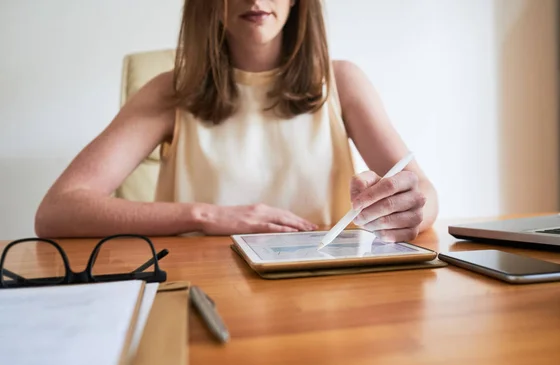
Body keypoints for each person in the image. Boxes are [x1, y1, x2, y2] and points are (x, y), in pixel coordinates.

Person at [35, 0, 439, 242]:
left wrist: (406, 212)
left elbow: (424, 193)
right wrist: (208, 216)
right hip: (203, 289)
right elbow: (57, 210)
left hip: (322, 292)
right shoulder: (168, 91)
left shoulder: (343, 82)